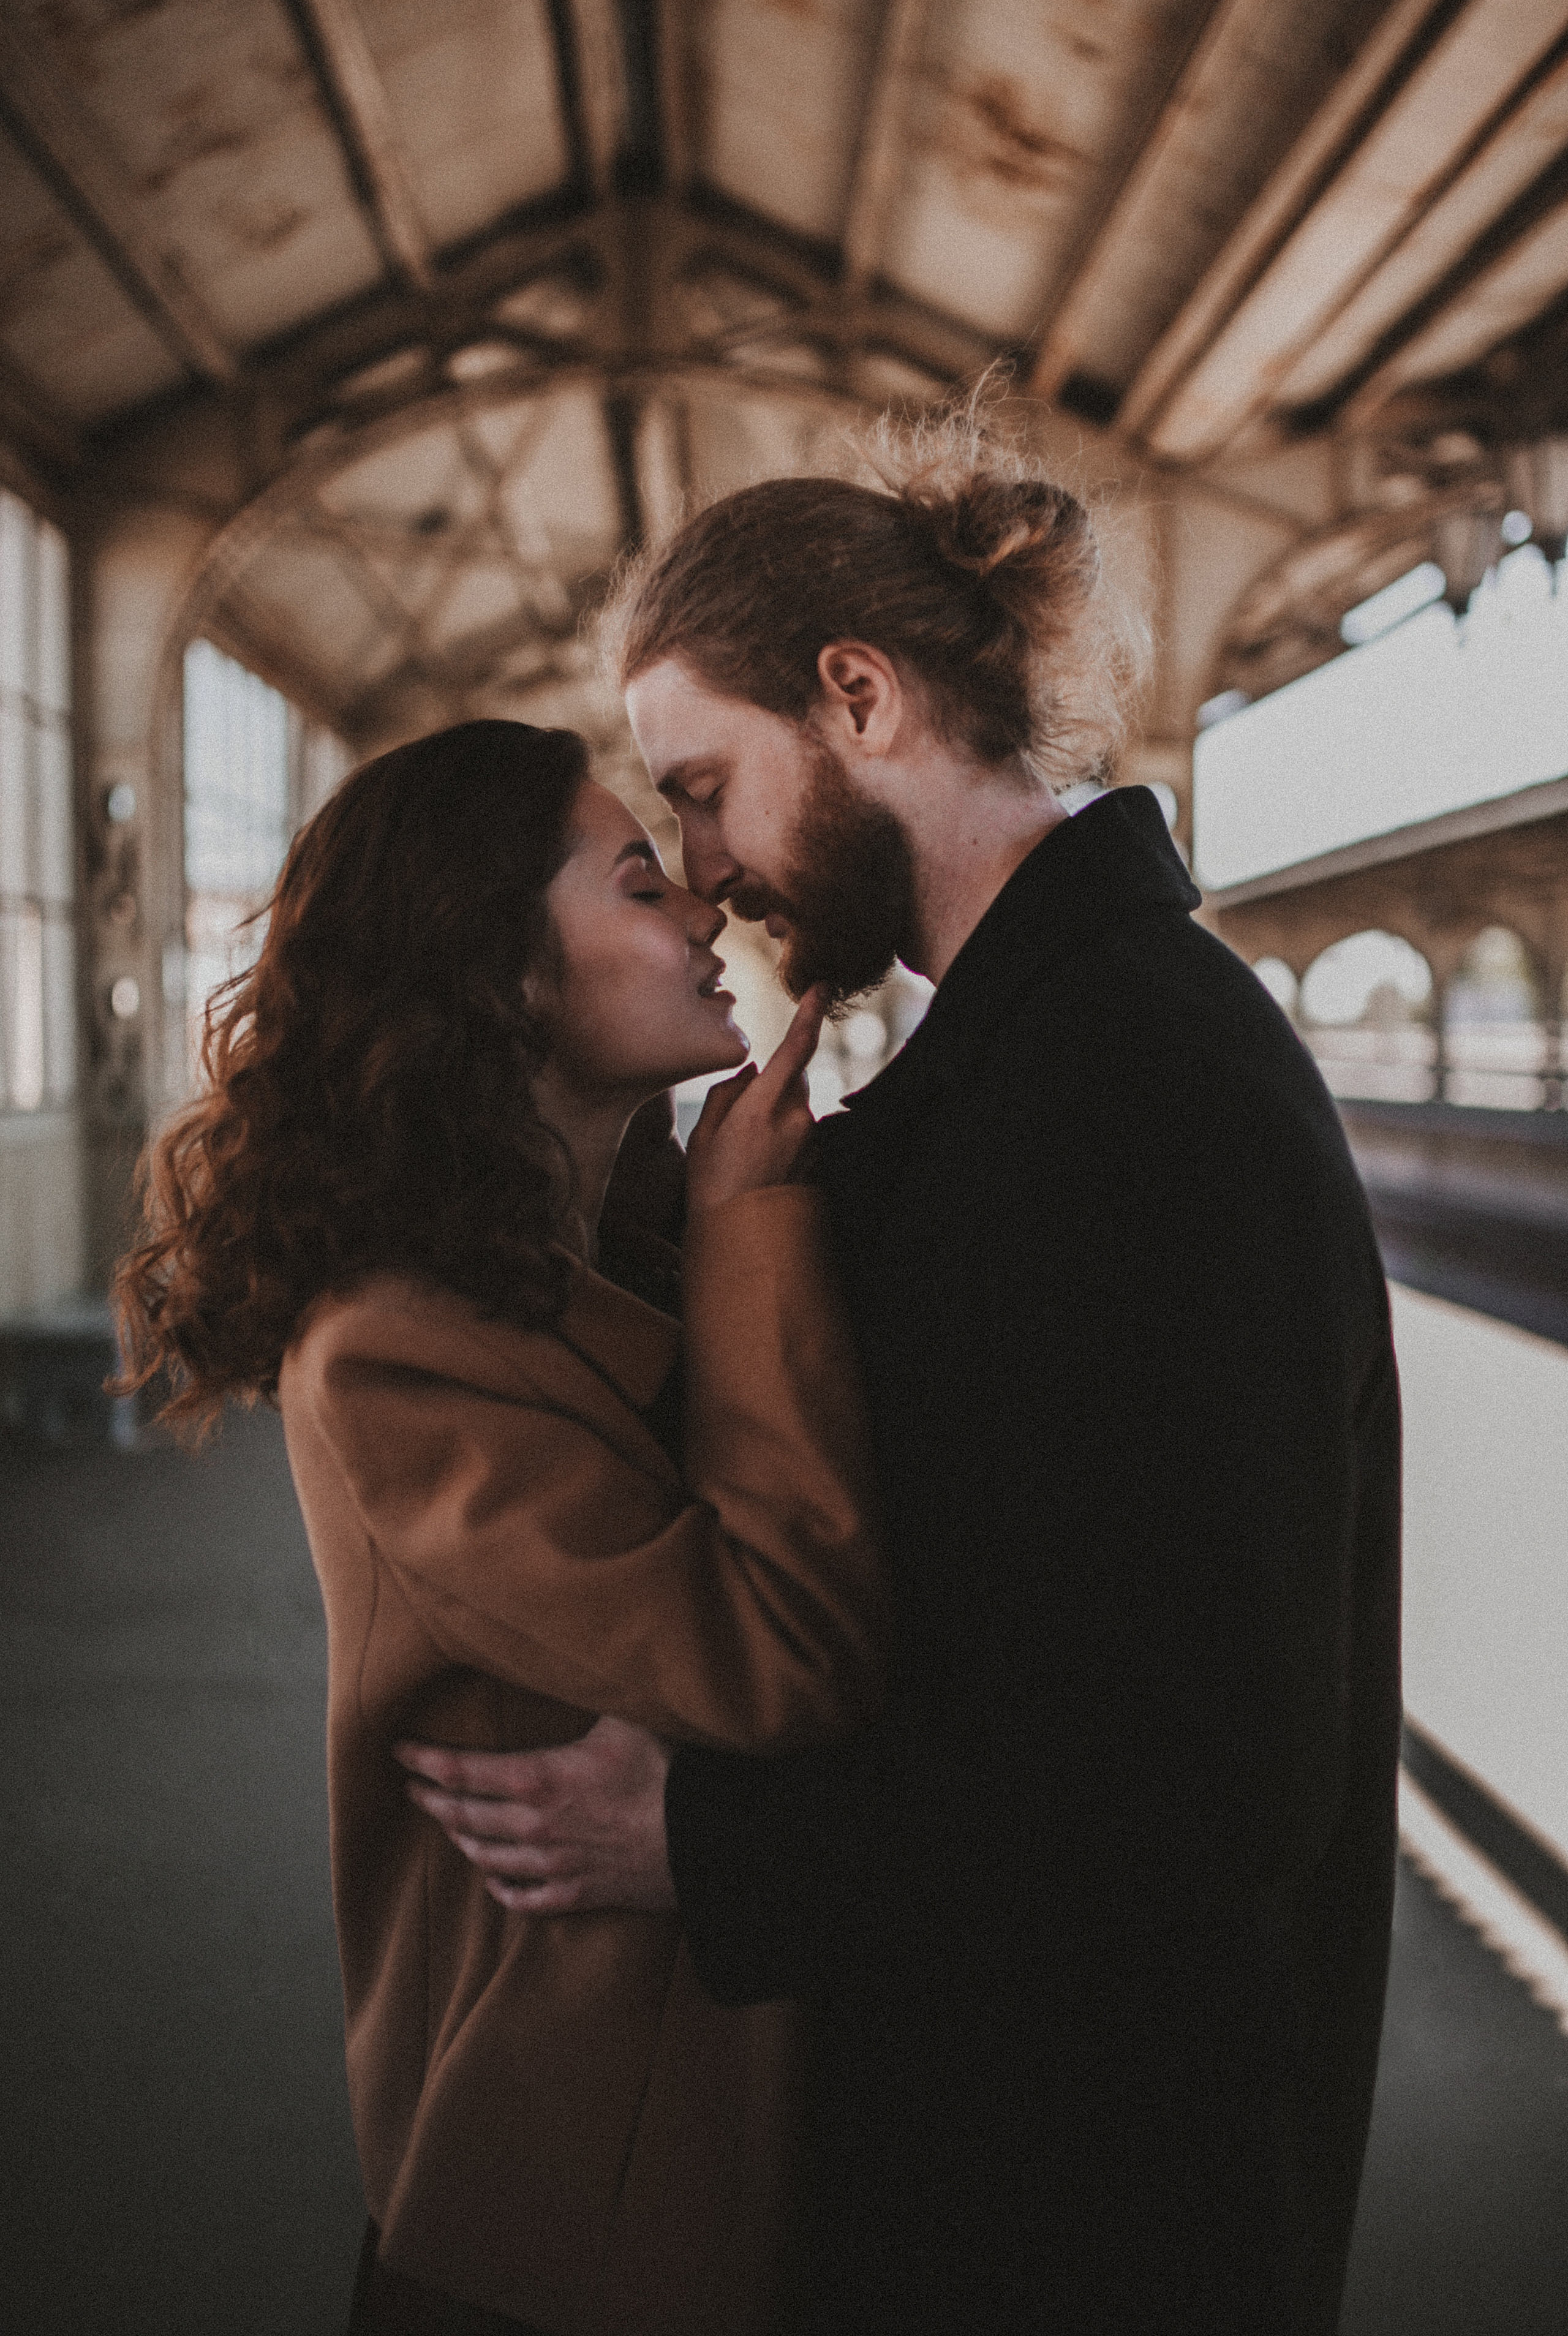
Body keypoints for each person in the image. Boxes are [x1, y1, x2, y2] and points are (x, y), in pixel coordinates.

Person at [401, 412, 1403, 2334]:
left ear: (858, 696)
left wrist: (701, 1842)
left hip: (1098, 2205)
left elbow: (1213, 1769)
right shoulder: (1029, 1060)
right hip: (1015, 2143)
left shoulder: (1140, 1085)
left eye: (706, 791)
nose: (703, 876)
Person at [112, 720, 888, 2336]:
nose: (706, 911)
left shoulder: (589, 1264)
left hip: (677, 2154)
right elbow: (779, 1654)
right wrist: (753, 1230)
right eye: (639, 885)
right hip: (567, 2215)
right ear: (503, 975)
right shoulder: (395, 1355)